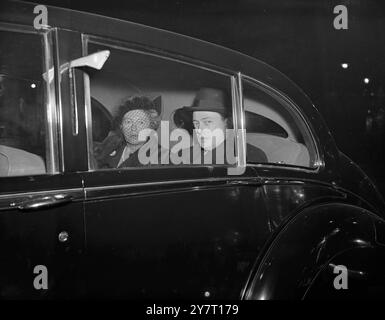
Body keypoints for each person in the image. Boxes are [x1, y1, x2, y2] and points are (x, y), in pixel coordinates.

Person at [176, 87, 267, 165]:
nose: (200, 130)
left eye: (208, 122)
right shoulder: (184, 155)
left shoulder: (246, 155)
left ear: (226, 123)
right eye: (196, 123)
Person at [94, 95, 164, 168]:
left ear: (151, 127)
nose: (133, 128)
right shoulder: (112, 142)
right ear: (121, 126)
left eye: (141, 122)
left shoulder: (159, 155)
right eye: (128, 122)